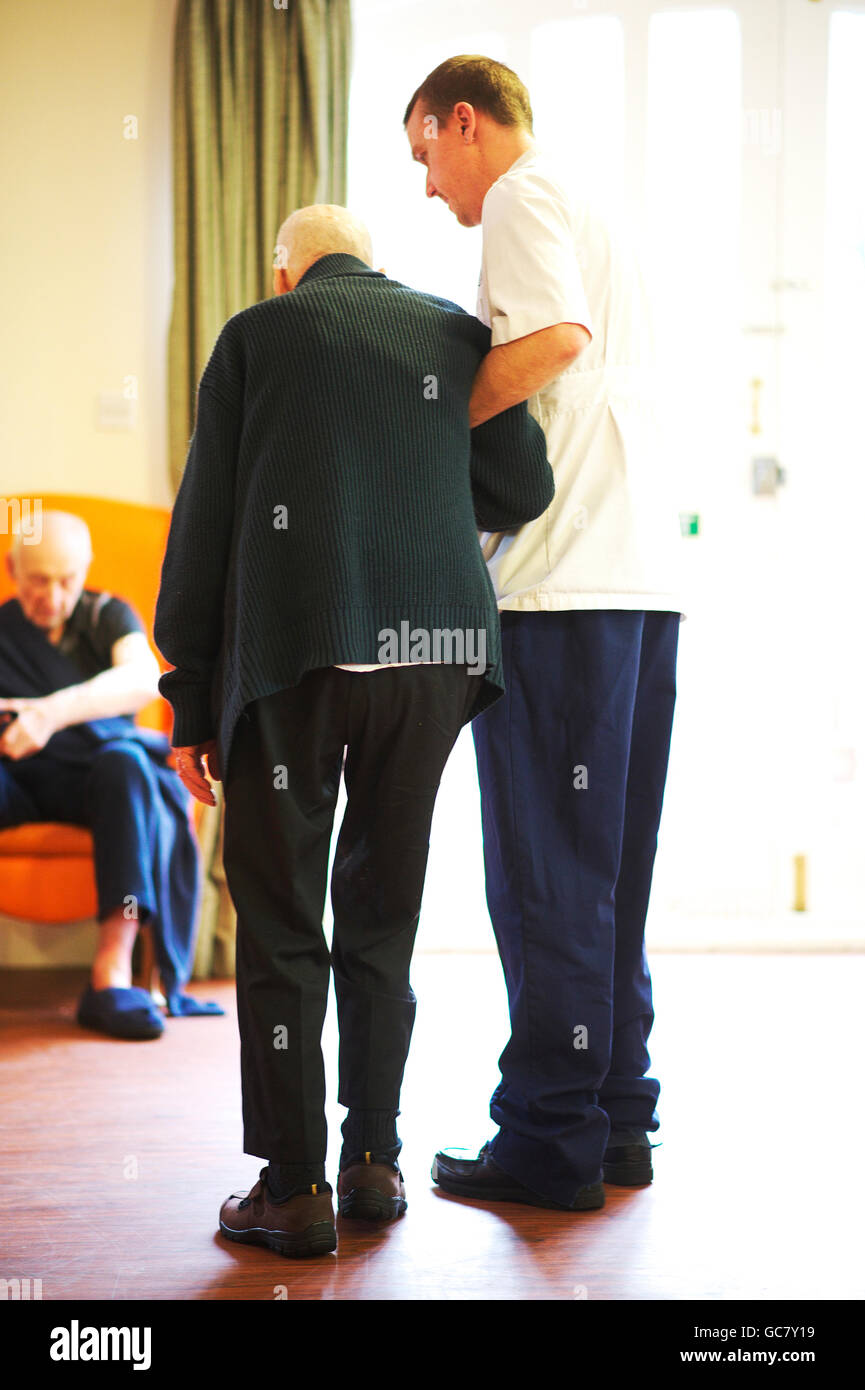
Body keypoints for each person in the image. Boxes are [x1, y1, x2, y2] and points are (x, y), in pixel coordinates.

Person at [153, 203, 554, 1258]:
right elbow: (522, 482)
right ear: (373, 267)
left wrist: (188, 690)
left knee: (284, 917)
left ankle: (292, 1192)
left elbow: (205, 517)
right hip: (433, 657)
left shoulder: (258, 333)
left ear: (287, 273)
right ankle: (372, 1162)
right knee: (381, 910)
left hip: (297, 646)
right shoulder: (448, 331)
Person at [403, 56, 683, 1212]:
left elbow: (553, 341)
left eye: (425, 153)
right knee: (609, 870)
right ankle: (618, 1117)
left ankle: (548, 1138)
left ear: (463, 121)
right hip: (640, 579)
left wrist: (413, 432)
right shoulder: (600, 204)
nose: (429, 188)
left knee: (546, 877)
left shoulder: (520, 193)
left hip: (560, 587)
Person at [0, 509, 222, 1039]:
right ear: (12, 569)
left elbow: (142, 681)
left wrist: (46, 713)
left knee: (127, 765)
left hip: (94, 780)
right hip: (16, 778)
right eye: (37, 582)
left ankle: (112, 976)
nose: (52, 598)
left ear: (85, 571)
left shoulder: (107, 616)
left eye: (66, 581)